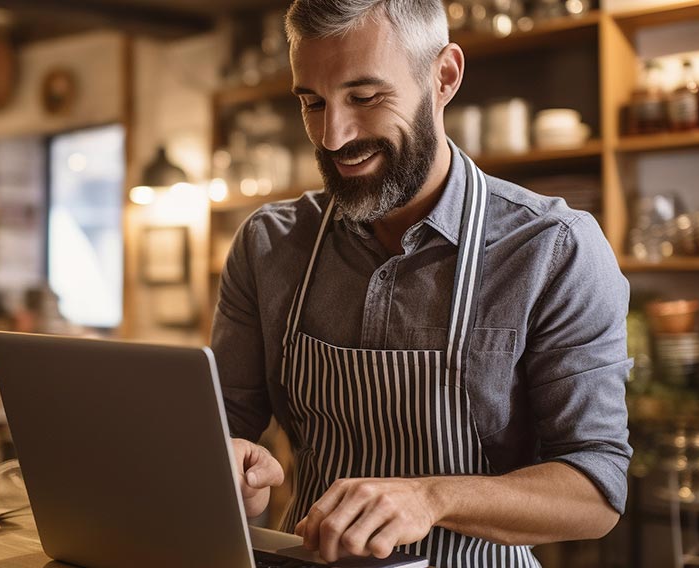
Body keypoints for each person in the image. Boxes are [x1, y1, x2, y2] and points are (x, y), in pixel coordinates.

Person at [211, 1, 632, 566]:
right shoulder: (268, 244)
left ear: (444, 77)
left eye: (365, 98)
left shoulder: (554, 249)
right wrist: (239, 471)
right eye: (312, 102)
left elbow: (596, 488)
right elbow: (222, 432)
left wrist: (433, 497)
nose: (334, 136)